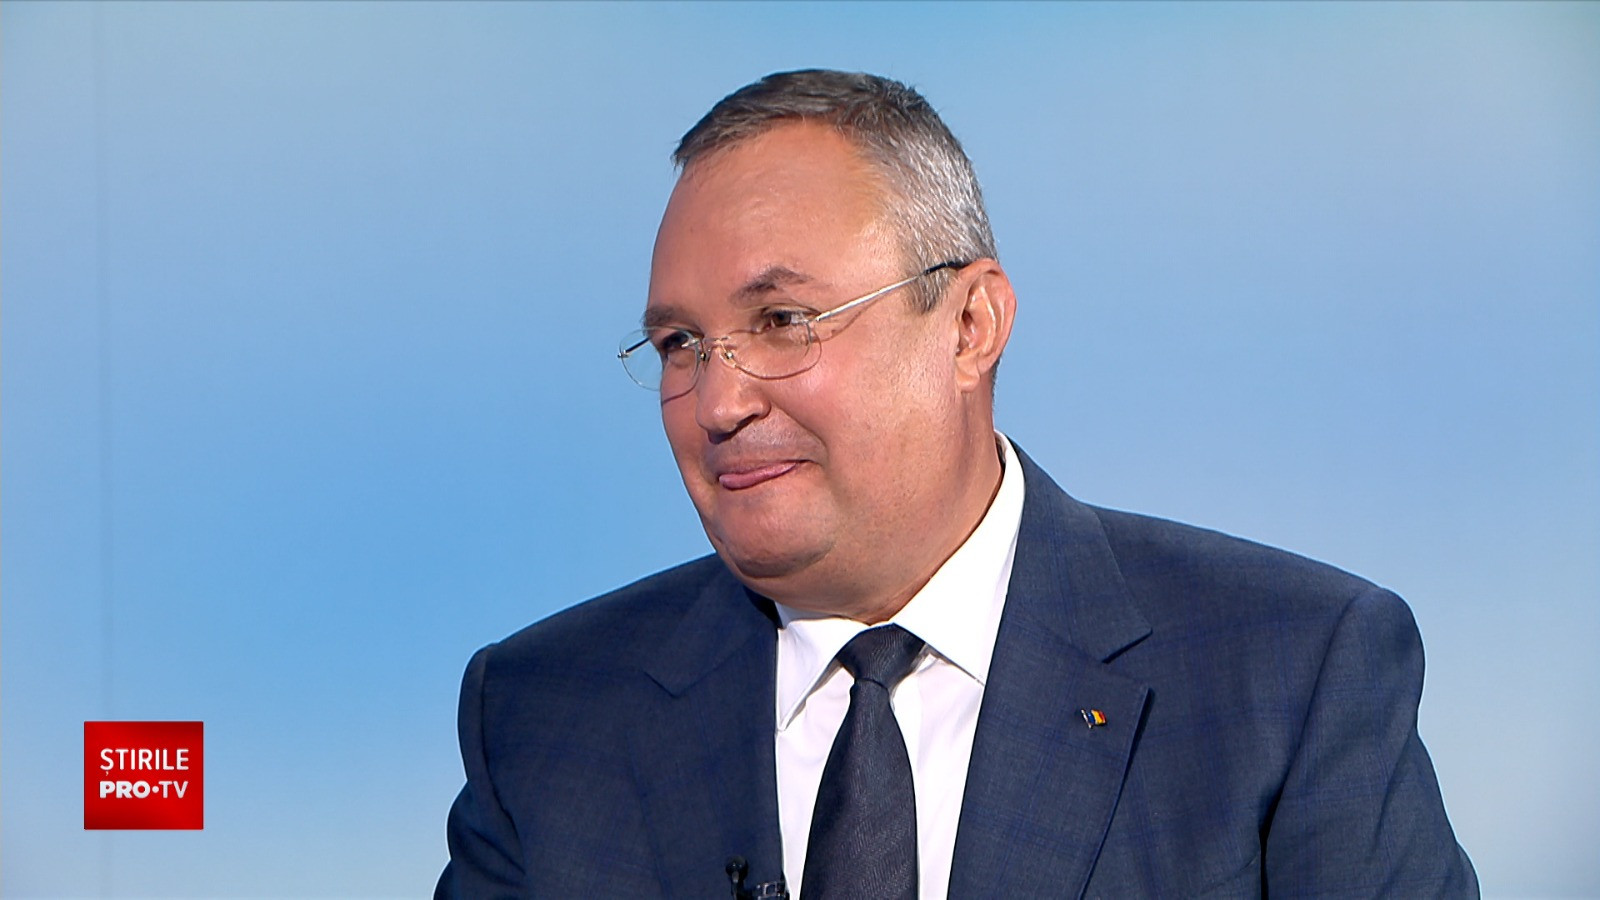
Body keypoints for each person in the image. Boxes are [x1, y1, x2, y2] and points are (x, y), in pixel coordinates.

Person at [436, 69, 1477, 898]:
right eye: (679, 343)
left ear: (970, 326)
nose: (717, 401)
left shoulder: (1289, 675)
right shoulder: (544, 718)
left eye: (783, 322)